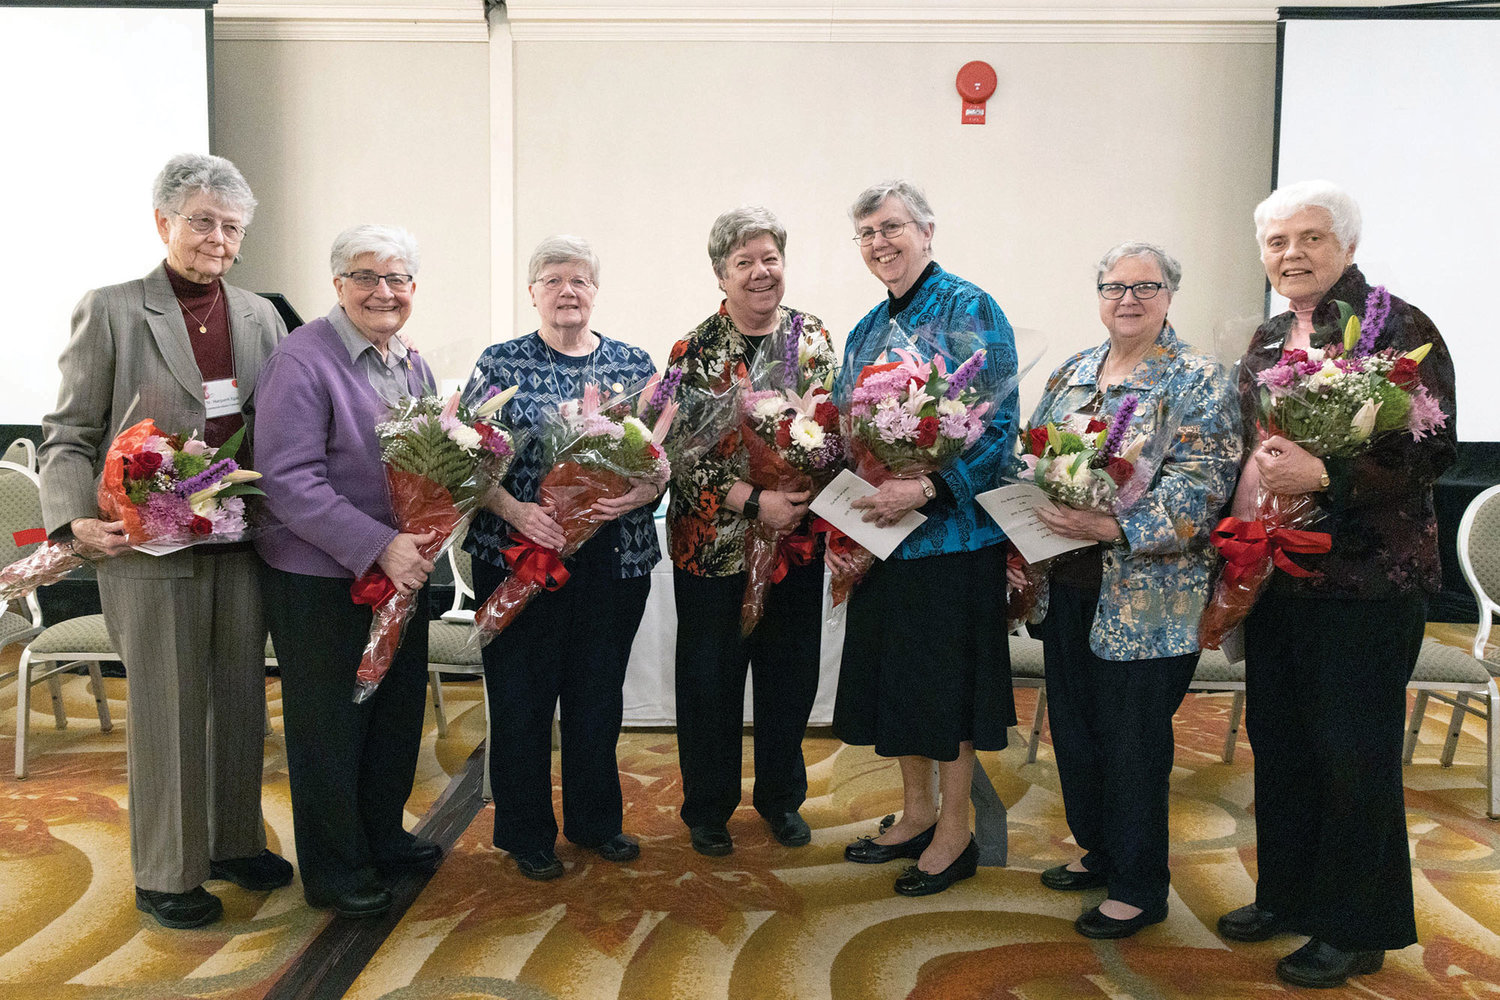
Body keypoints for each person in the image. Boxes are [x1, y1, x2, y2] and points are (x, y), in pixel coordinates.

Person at [38, 153, 290, 929]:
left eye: (231, 226)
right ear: (164, 224)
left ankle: (232, 840)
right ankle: (166, 871)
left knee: (240, 703)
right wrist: (73, 520)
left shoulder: (259, 315)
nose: (217, 238)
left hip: (242, 543)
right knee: (169, 709)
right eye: (202, 221)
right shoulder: (113, 308)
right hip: (146, 549)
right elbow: (69, 434)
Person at [1216, 180, 1457, 988]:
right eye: (1278, 241)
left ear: (1347, 246)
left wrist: (1334, 473)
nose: (1293, 254)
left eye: (1311, 238)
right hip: (1280, 580)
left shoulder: (1398, 327)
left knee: (1353, 760)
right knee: (1281, 749)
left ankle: (1356, 928)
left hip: (1365, 585)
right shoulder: (1265, 338)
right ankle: (1288, 896)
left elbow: (1432, 447)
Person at [1016, 243, 1240, 938]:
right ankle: (1101, 851)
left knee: (1132, 742)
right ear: (1100, 294)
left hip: (1147, 599)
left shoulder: (1200, 380)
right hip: (1068, 587)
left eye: (1147, 286)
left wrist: (1109, 522)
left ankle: (1141, 886)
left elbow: (1204, 490)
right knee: (1077, 736)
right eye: (1115, 286)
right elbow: (1035, 455)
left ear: (1171, 294)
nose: (1129, 299)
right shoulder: (1073, 371)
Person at [828, 180, 1018, 896]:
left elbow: (998, 424)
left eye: (892, 227)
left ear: (927, 230)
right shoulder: (865, 329)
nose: (881, 243)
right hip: (884, 538)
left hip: (953, 540)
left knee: (948, 693)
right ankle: (913, 812)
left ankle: (956, 829)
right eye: (868, 233)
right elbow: (852, 431)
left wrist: (932, 487)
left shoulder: (971, 307)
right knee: (899, 688)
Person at [254, 224, 443, 919]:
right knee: (332, 726)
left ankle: (381, 838)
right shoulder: (302, 360)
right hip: (322, 578)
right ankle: (335, 870)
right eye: (365, 276)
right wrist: (378, 546)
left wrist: (424, 535)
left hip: (401, 570)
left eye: (397, 279)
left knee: (393, 716)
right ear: (337, 285)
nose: (383, 292)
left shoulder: (411, 363)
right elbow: (287, 479)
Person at [463, 236, 661, 880]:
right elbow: (463, 458)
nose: (567, 291)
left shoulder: (634, 365)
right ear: (532, 292)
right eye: (552, 280)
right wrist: (520, 513)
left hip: (613, 561)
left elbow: (665, 460)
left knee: (596, 696)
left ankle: (596, 822)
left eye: (579, 280)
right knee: (522, 698)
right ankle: (525, 833)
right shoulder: (502, 362)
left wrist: (641, 489)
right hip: (520, 554)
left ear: (595, 291)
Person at [666, 207, 836, 856]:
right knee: (709, 680)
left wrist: (798, 496)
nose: (761, 273)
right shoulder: (695, 350)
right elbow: (679, 455)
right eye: (746, 263)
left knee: (789, 676)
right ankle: (707, 808)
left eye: (770, 259)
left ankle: (780, 799)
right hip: (713, 547)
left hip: (795, 540)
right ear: (721, 274)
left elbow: (836, 433)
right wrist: (753, 500)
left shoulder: (816, 338)